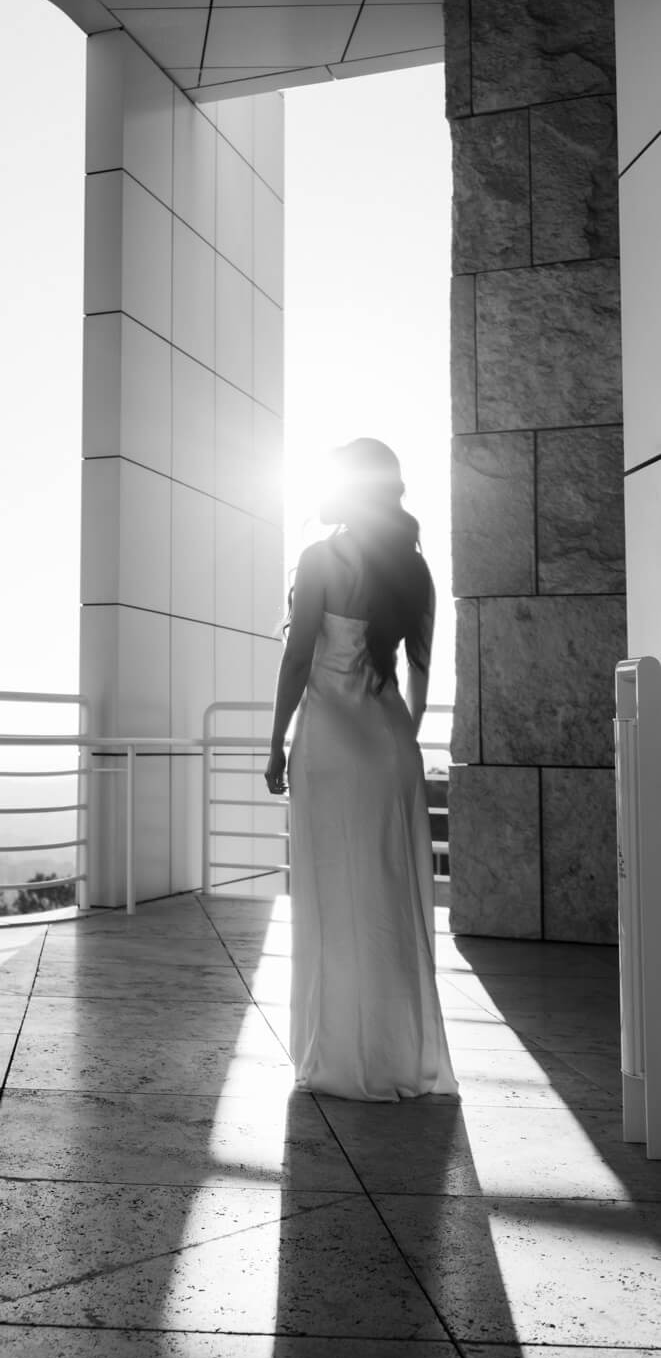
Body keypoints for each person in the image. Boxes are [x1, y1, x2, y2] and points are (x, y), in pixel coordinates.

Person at [263, 439, 458, 1103]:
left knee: (332, 898)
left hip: (329, 743)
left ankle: (339, 1057)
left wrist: (274, 743)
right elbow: (420, 676)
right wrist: (398, 738)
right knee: (387, 902)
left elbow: (297, 660)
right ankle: (396, 1054)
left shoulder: (323, 559)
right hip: (391, 746)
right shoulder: (414, 570)